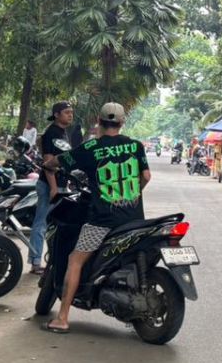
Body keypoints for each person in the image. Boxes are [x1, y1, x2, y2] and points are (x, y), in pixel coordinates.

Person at [43, 102, 150, 334]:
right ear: (122, 122)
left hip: (102, 221)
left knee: (75, 260)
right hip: (134, 219)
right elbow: (146, 176)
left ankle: (62, 318)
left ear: (100, 122)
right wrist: (131, 194)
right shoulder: (135, 146)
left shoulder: (91, 148)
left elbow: (60, 160)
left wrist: (49, 164)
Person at [33, 102, 84, 274]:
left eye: (71, 112)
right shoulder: (50, 133)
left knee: (56, 225)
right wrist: (53, 187)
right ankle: (35, 261)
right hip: (48, 185)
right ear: (56, 114)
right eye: (67, 112)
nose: (70, 115)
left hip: (61, 184)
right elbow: (48, 162)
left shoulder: (64, 133)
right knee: (41, 223)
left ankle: (53, 260)